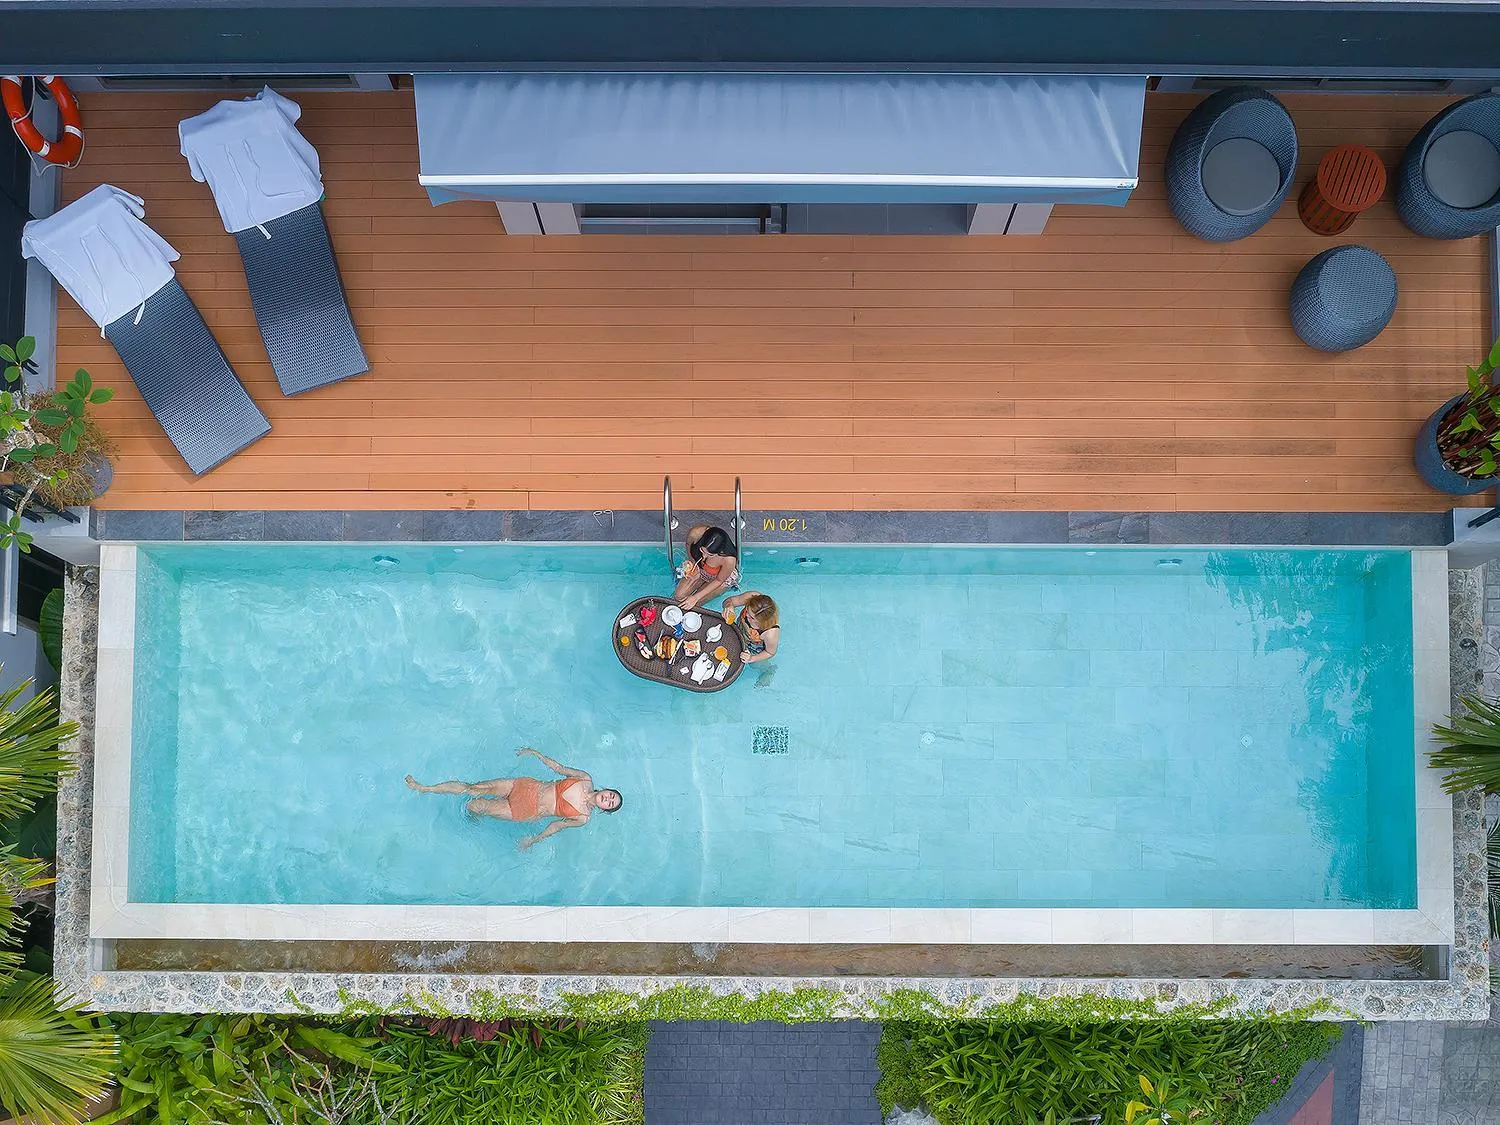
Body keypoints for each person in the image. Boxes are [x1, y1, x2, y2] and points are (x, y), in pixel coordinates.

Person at [405, 747, 622, 851]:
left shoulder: (583, 818)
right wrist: (535, 753)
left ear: (604, 809)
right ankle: (425, 788)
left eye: (610, 803)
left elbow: (556, 826)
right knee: (474, 787)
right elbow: (559, 768)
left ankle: (470, 817)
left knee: (475, 806)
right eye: (611, 795)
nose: (608, 799)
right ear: (608, 790)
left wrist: (534, 840)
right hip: (526, 786)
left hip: (526, 810)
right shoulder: (585, 779)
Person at [673, 524, 739, 611]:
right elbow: (688, 544)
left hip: (719, 579)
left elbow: (719, 580)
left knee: (695, 604)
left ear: (720, 551)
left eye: (710, 555)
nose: (704, 556)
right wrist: (693, 563)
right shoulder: (695, 533)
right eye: (702, 551)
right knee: (679, 596)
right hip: (701, 569)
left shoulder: (729, 559)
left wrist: (696, 597)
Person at [722, 591, 780, 663]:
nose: (746, 615)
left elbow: (770, 653)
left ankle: (769, 671)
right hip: (739, 630)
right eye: (747, 611)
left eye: (752, 617)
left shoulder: (770, 633)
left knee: (755, 665)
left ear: (762, 621)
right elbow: (729, 601)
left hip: (754, 648)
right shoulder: (752, 598)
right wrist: (729, 606)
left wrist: (751, 658)